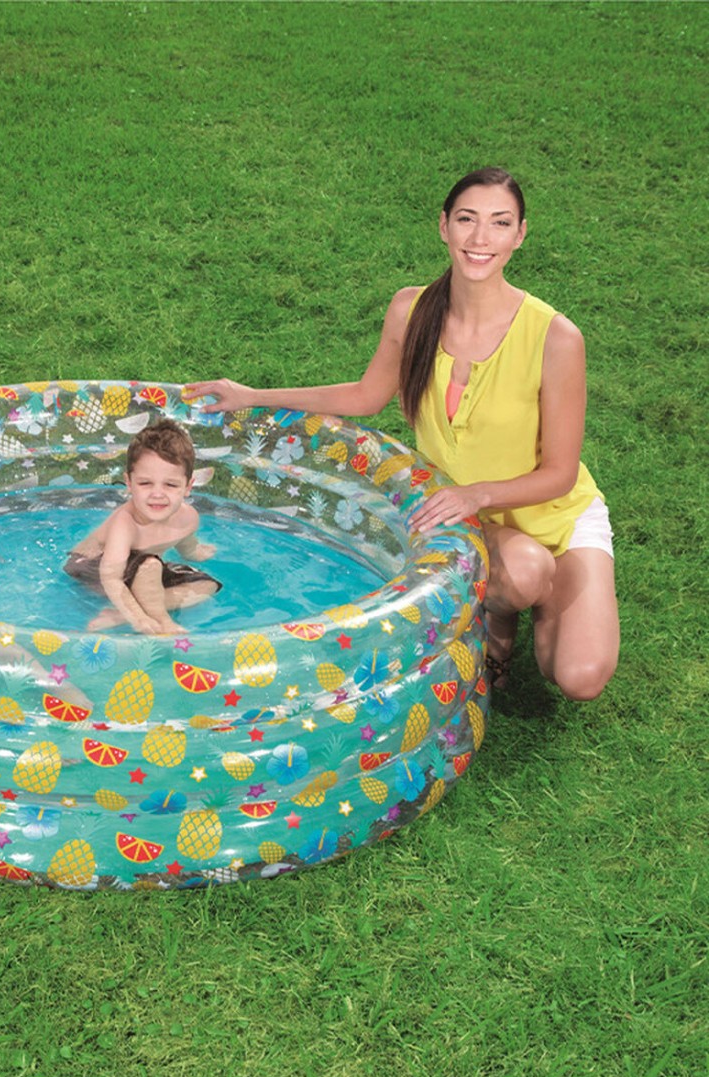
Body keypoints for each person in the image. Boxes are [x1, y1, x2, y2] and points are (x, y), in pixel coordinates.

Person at [184, 167, 618, 700]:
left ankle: (540, 593)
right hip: (474, 522)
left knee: (579, 677)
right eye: (467, 220)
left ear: (520, 235)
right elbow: (365, 396)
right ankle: (505, 611)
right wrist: (252, 395)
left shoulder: (556, 337)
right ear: (444, 226)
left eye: (500, 223)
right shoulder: (411, 310)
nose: (481, 238)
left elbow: (560, 474)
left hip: (555, 517)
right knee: (525, 572)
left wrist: (476, 494)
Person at [65, 418, 221, 634]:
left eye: (170, 484)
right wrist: (138, 619)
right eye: (145, 483)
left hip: (141, 571)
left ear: (188, 486)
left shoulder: (188, 518)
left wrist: (195, 552)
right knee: (150, 565)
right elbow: (111, 577)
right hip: (92, 568)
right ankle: (162, 621)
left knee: (207, 585)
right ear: (129, 483)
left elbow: (186, 546)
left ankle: (118, 615)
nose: (157, 494)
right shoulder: (126, 523)